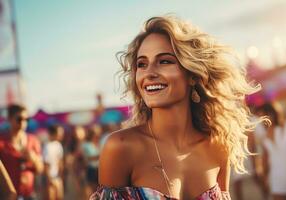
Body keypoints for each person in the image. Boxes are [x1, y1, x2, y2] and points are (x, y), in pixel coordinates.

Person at [90, 15, 263, 200]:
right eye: (142, 64)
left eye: (164, 61)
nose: (149, 73)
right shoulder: (121, 148)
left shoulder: (218, 147)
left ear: (193, 75)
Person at [0, 104, 43, 199]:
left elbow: (40, 169)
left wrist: (33, 159)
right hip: (8, 196)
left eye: (26, 119)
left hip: (29, 195)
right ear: (9, 119)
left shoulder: (33, 140)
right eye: (19, 119)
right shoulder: (1, 142)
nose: (23, 123)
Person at [43, 125, 65, 200]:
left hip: (57, 177)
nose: (61, 134)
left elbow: (60, 162)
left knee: (59, 197)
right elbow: (46, 164)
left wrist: (60, 177)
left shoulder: (58, 145)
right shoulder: (47, 146)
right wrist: (49, 179)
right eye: (59, 132)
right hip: (50, 178)